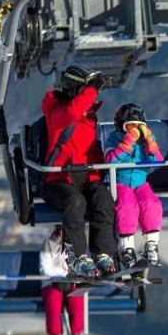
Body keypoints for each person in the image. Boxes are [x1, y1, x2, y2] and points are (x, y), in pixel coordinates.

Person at [41, 63, 117, 278]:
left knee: (102, 197)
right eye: (86, 92)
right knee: (76, 202)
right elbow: (71, 112)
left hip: (86, 178)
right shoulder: (56, 111)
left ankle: (103, 254)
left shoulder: (89, 117)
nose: (90, 99)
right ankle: (77, 257)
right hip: (57, 180)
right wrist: (93, 89)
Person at [105, 103, 164, 268]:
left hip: (141, 182)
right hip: (121, 182)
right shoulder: (114, 139)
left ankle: (151, 244)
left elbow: (158, 162)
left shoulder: (144, 142)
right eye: (130, 126)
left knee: (151, 203)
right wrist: (125, 144)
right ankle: (126, 247)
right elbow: (109, 160)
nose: (135, 131)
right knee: (126, 205)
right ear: (121, 126)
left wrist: (151, 146)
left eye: (139, 127)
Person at [39, 225, 86, 335]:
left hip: (69, 282)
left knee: (76, 298)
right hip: (52, 283)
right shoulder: (49, 245)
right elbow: (45, 268)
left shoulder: (74, 246)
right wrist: (62, 275)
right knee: (53, 300)